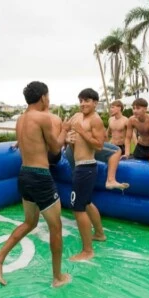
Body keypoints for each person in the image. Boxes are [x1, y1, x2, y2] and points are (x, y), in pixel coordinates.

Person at [0, 81, 71, 287]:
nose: (49, 100)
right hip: (40, 176)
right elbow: (55, 148)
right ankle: (58, 277)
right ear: (43, 97)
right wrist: (65, 130)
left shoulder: (21, 119)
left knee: (29, 223)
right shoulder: (42, 117)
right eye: (48, 96)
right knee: (56, 228)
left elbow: (34, 143)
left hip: (24, 173)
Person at [64, 88, 109, 260]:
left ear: (95, 103)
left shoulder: (95, 120)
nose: (83, 104)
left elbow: (99, 145)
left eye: (87, 101)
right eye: (81, 100)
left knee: (78, 208)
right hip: (80, 166)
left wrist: (82, 132)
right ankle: (99, 234)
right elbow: (66, 129)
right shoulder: (76, 116)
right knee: (87, 202)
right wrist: (69, 138)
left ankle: (87, 251)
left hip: (87, 167)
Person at [104, 101, 130, 190]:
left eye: (113, 107)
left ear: (119, 108)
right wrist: (105, 144)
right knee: (109, 165)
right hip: (112, 145)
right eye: (111, 107)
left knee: (121, 167)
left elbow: (131, 135)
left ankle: (121, 183)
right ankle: (110, 182)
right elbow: (107, 133)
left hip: (121, 147)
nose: (111, 109)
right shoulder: (110, 119)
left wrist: (129, 151)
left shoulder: (126, 120)